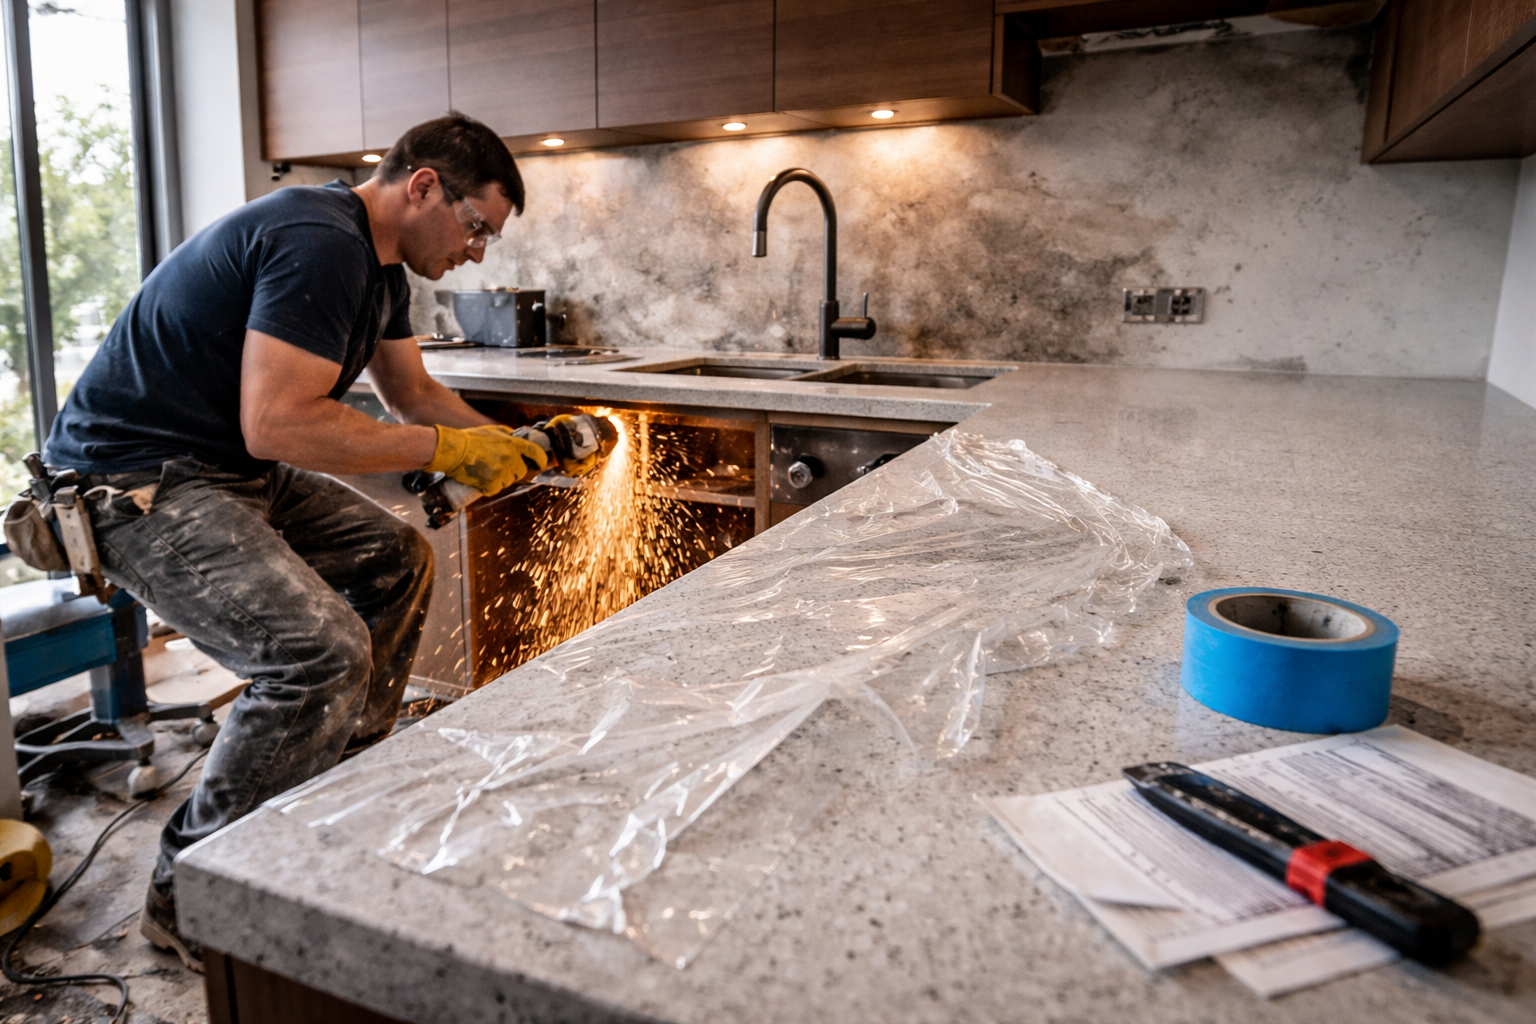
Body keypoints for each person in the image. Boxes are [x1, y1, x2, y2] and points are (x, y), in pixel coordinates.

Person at [42, 112, 547, 972]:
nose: (476, 252)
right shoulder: (320, 241)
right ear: (423, 185)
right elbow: (276, 424)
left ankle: (329, 801)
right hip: (134, 482)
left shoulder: (379, 268)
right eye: (475, 228)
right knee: (318, 654)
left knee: (395, 561)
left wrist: (512, 447)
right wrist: (445, 451)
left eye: (487, 239)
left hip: (220, 467)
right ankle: (189, 897)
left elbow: (414, 396)